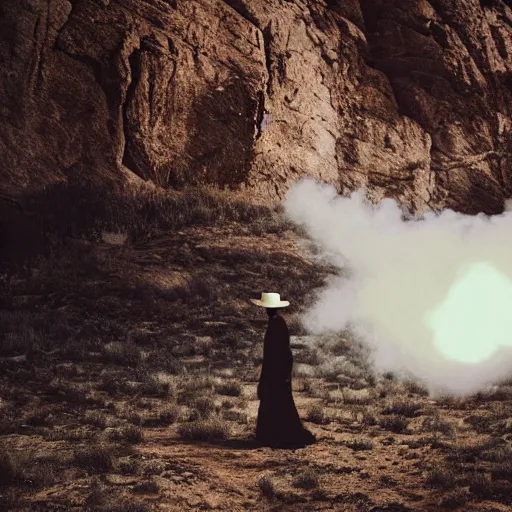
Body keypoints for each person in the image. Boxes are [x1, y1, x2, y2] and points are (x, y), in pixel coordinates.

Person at [250, 292, 316, 449]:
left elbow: (284, 353)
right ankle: (273, 435)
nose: (267, 310)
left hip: (276, 373)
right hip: (275, 372)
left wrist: (283, 374)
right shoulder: (276, 323)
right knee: (277, 402)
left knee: (276, 402)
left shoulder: (277, 324)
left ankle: (276, 435)